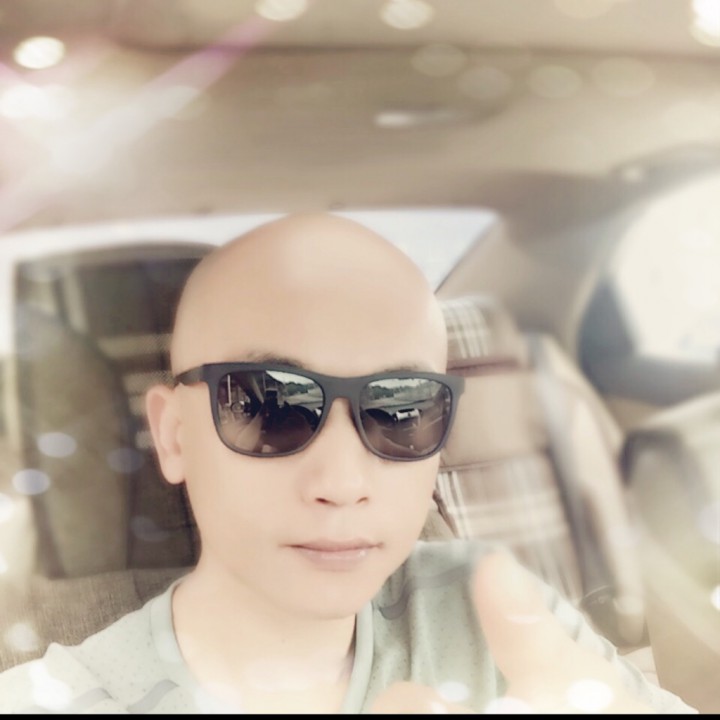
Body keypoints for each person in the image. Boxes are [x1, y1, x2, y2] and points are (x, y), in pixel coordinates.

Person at [0, 213, 697, 714]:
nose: (342, 484)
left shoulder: (504, 615)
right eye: (271, 404)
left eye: (402, 408)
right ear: (174, 435)